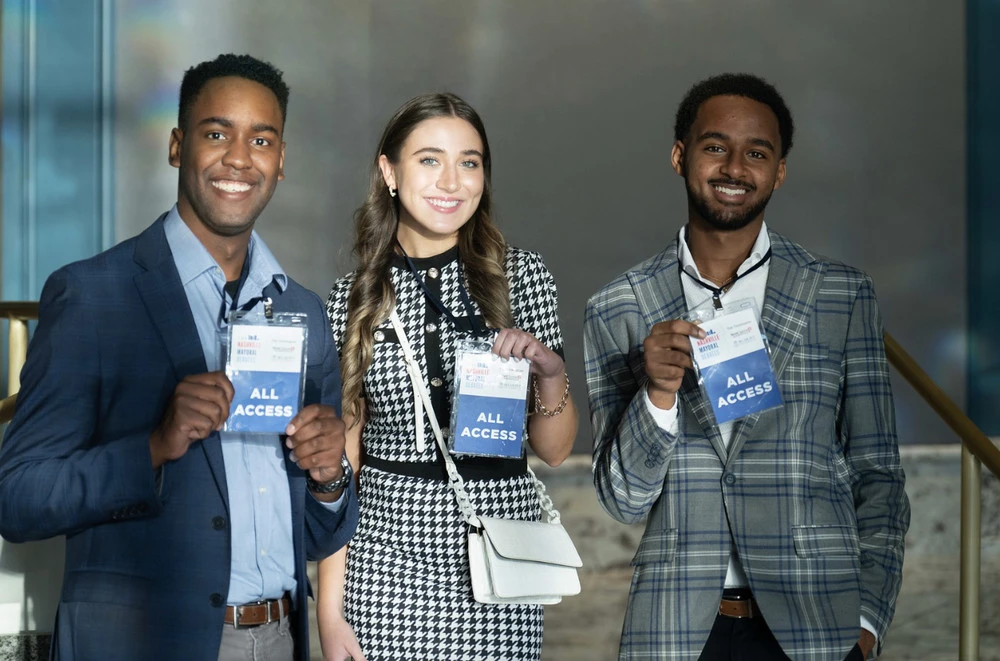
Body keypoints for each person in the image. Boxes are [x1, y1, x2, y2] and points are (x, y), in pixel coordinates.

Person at [0, 53, 358, 661]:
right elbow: (18, 498)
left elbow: (318, 531)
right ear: (176, 146)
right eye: (217, 133)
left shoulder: (304, 313)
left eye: (261, 139)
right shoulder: (93, 294)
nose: (240, 157)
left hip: (276, 640)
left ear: (280, 161)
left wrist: (329, 480)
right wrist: (153, 448)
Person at [585, 73, 910, 661]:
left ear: (778, 170)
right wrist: (657, 395)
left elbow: (879, 477)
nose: (735, 167)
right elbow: (623, 500)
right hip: (677, 631)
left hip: (818, 628)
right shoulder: (619, 308)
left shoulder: (840, 295)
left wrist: (867, 621)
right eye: (715, 147)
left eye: (756, 153)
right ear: (681, 156)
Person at [316, 92, 577, 661]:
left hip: (499, 563)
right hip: (385, 567)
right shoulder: (354, 299)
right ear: (389, 171)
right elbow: (343, 462)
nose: (451, 181)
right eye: (429, 159)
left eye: (470, 162)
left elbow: (554, 451)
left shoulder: (522, 278)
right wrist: (329, 614)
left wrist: (551, 374)